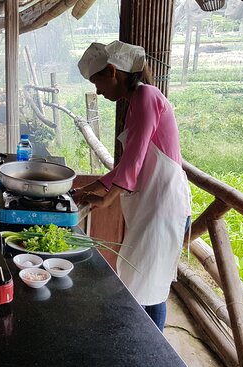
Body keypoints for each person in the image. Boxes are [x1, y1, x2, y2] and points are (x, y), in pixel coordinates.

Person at [71, 41, 191, 332]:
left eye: (96, 81)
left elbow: (136, 158)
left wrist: (107, 199)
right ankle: (145, 345)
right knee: (143, 280)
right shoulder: (136, 101)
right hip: (152, 205)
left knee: (149, 287)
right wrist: (93, 189)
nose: (98, 90)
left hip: (163, 207)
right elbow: (126, 167)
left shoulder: (147, 96)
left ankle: (151, 351)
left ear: (112, 71)